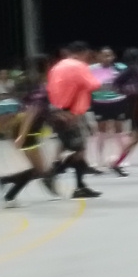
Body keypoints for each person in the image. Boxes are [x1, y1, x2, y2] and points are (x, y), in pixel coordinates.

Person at [0, 57, 59, 206]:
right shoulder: (41, 92)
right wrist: (22, 136)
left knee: (39, 169)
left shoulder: (39, 89)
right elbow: (30, 114)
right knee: (39, 170)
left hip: (29, 131)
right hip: (28, 132)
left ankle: (5, 182)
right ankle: (9, 194)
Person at [46, 41, 102, 199]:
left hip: (56, 110)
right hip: (71, 112)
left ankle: (80, 185)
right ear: (83, 53)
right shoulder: (78, 66)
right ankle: (52, 174)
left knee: (71, 147)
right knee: (79, 150)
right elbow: (94, 84)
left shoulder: (57, 67)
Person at [108, 48, 138, 177]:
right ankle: (116, 162)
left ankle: (117, 162)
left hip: (133, 105)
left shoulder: (127, 72)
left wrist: (126, 92)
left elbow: (114, 86)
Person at [88, 47, 127, 168]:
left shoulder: (121, 68)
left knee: (119, 129)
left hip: (117, 101)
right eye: (104, 55)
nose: (107, 58)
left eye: (109, 55)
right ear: (98, 56)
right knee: (101, 130)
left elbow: (127, 82)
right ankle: (99, 159)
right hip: (100, 102)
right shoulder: (91, 69)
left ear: (113, 56)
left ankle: (122, 158)